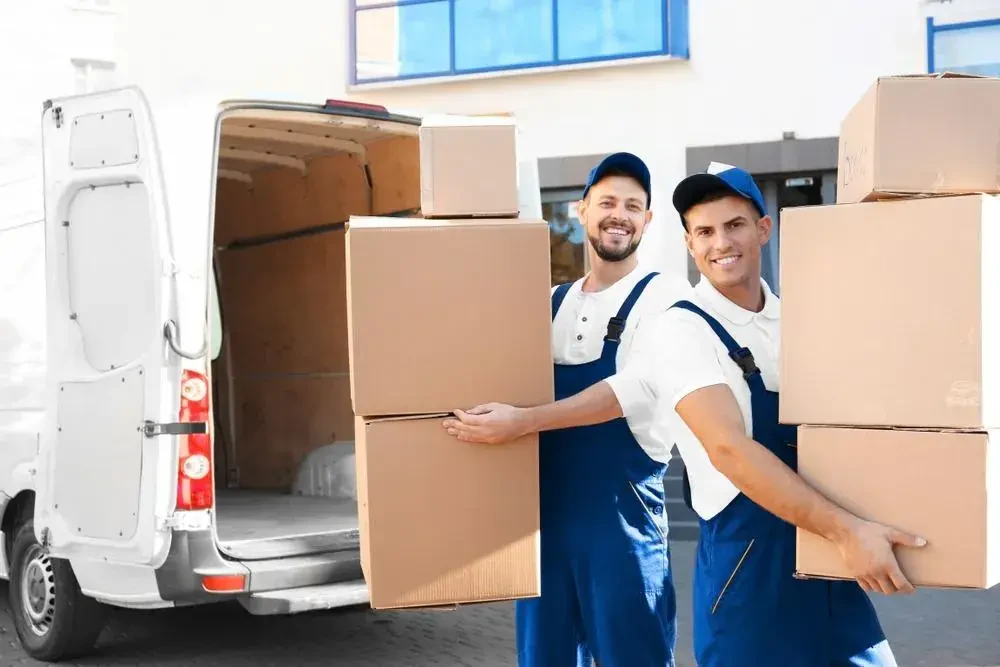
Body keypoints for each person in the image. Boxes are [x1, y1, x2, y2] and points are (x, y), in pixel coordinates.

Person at [652, 162, 924, 666]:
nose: (720, 243)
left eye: (734, 225)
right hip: (751, 573)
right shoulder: (679, 330)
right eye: (704, 232)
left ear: (763, 229)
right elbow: (728, 449)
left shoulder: (799, 322)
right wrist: (848, 532)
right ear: (690, 245)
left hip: (828, 560)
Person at [443, 152, 689, 667]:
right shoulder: (550, 303)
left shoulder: (665, 295)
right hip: (543, 529)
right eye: (607, 202)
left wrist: (524, 420)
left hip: (623, 531)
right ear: (581, 211)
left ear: (647, 220)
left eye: (632, 205)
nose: (618, 214)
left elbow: (636, 389)